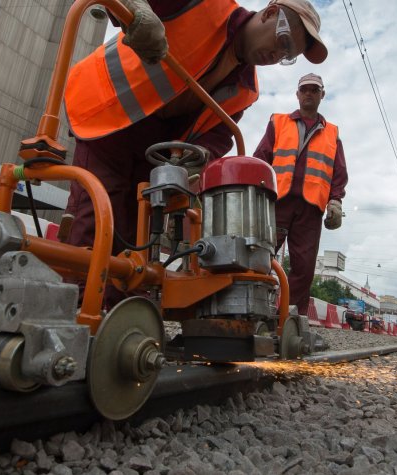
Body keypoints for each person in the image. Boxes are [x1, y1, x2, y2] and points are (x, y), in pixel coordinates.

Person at [62, 0, 328, 305]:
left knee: (135, 236)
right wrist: (135, 8)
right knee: (99, 217)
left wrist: (199, 158)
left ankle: (123, 315)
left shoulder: (247, 88)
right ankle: (79, 313)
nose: (277, 55)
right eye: (282, 42)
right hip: (107, 111)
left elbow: (219, 133)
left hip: (154, 148)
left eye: (286, 56)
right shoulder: (206, 5)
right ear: (269, 13)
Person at [252, 73, 348, 316]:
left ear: (322, 95)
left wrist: (335, 201)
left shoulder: (332, 133)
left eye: (314, 90)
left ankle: (291, 318)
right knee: (261, 255)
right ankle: (252, 308)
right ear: (297, 94)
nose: (308, 93)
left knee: (304, 268)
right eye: (304, 89)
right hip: (277, 202)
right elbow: (261, 157)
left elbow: (339, 171)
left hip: (310, 208)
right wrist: (255, 189)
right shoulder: (278, 122)